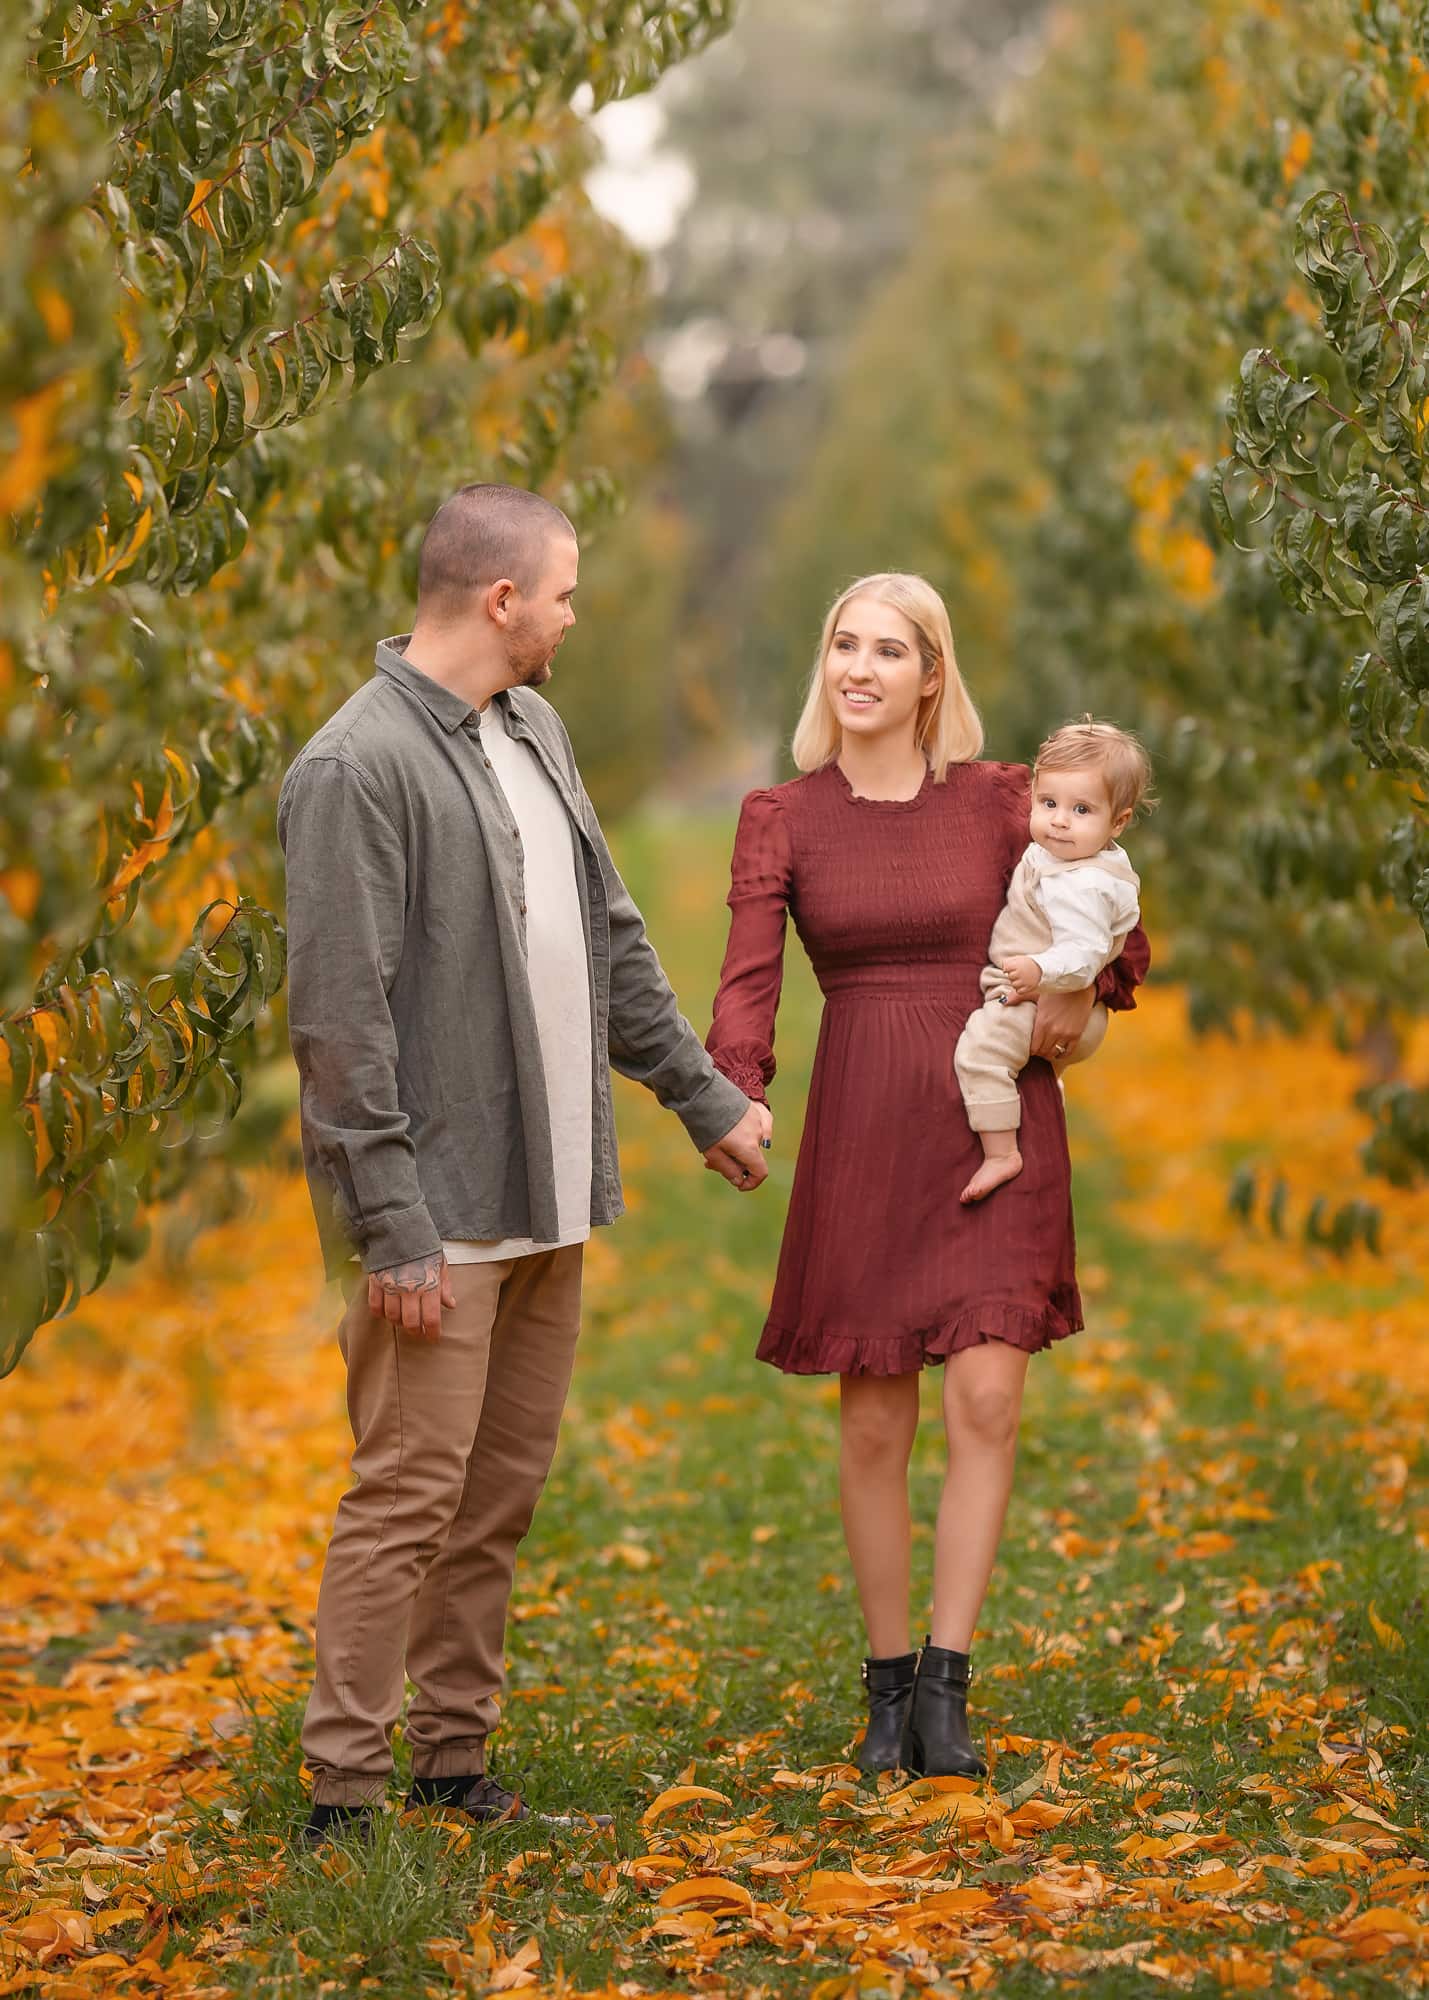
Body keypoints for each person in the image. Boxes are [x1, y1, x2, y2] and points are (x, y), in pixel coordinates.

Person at [278, 482, 772, 1845]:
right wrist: (393, 1227)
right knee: (407, 1500)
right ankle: (343, 1791)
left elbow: (607, 937)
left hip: (547, 1190)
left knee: (494, 1501)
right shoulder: (353, 767)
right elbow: (338, 1022)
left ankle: (450, 1755)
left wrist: (702, 1097)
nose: (571, 615)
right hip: (434, 1211)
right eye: (561, 592)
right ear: (501, 602)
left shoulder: (532, 728)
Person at [706, 573, 1148, 1781]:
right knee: (876, 1416)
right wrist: (734, 1085)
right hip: (863, 1124)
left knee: (987, 1399)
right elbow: (750, 977)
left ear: (930, 674)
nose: (859, 667)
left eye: (887, 649)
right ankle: (888, 1680)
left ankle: (949, 1683)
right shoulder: (782, 815)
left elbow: (1115, 945)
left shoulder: (1007, 802)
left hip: (987, 1116)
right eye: (843, 643)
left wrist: (1070, 1009)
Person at [955, 718, 1150, 1204]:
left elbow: (1085, 953)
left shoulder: (1080, 883)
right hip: (1044, 993)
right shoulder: (1070, 856)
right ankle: (1050, 1100)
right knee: (1031, 1070)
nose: (1060, 820)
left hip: (1044, 995)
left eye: (1081, 809)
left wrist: (1043, 974)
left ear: (1118, 822)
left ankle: (1002, 1153)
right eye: (1048, 804)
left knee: (980, 1051)